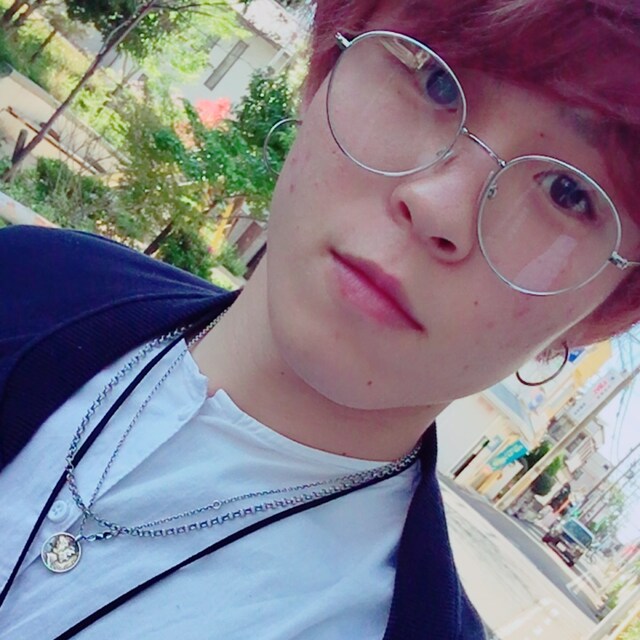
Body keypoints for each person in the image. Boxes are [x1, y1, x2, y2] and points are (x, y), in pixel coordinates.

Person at [0, 0, 639, 638]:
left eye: (569, 194)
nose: (439, 207)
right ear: (327, 66)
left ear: (602, 312)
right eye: (436, 82)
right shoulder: (27, 279)